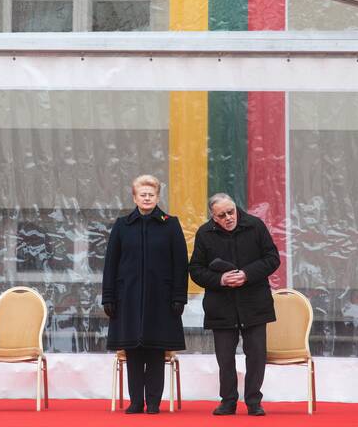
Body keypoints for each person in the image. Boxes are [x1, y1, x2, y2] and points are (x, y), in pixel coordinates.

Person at [102, 174, 188, 414]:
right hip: (127, 298)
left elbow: (180, 263)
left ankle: (152, 402)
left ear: (158, 196)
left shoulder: (170, 224)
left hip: (161, 299)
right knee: (133, 350)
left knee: (155, 349)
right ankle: (136, 401)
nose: (147, 198)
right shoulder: (122, 225)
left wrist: (179, 296)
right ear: (135, 197)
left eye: (151, 194)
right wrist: (108, 296)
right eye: (143, 194)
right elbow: (111, 263)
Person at [189, 193, 280, 417]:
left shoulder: (255, 225)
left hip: (254, 302)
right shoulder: (204, 233)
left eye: (232, 211)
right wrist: (220, 280)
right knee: (225, 357)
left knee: (256, 355)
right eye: (222, 215)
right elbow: (196, 270)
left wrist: (247, 274)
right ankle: (228, 401)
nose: (229, 217)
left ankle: (253, 401)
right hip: (221, 305)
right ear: (213, 216)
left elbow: (272, 258)